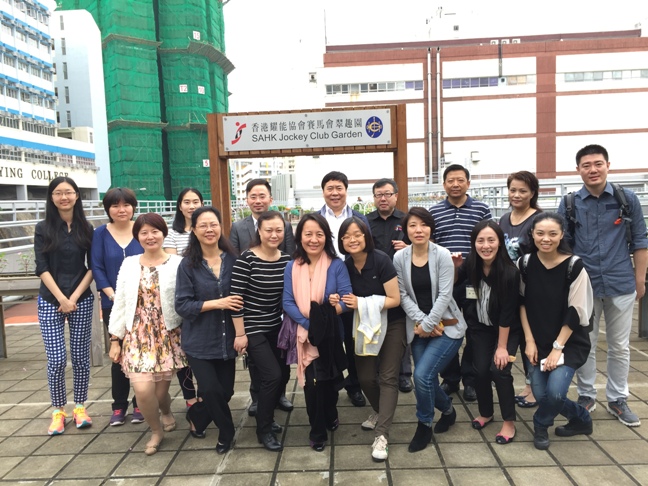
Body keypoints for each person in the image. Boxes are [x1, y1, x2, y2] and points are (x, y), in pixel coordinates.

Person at [558, 144, 647, 428]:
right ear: (578, 170)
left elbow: (641, 241)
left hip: (621, 281)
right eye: (586, 165)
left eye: (598, 164)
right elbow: (563, 246)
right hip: (584, 284)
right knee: (587, 342)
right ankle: (586, 394)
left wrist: (640, 280)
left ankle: (618, 398)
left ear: (608, 165)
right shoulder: (570, 202)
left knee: (620, 346)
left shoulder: (626, 198)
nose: (593, 170)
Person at [108, 213, 186, 456]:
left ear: (163, 233)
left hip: (167, 334)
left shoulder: (178, 263)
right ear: (137, 237)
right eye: (144, 232)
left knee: (160, 393)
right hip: (137, 334)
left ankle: (165, 411)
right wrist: (114, 339)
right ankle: (156, 431)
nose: (150, 236)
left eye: (155, 231)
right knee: (142, 390)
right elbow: (120, 301)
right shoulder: (129, 263)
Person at [393, 207, 467, 453]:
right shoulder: (400, 257)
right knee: (425, 378)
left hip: (448, 327)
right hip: (419, 327)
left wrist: (428, 324)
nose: (418, 230)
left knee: (422, 376)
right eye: (413, 225)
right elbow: (402, 295)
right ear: (406, 230)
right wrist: (422, 323)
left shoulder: (443, 255)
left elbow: (446, 294)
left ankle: (424, 423)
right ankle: (447, 410)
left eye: (423, 224)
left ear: (431, 228)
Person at [518, 213, 594, 450]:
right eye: (540, 233)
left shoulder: (575, 265)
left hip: (567, 342)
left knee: (555, 393)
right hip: (536, 340)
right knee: (542, 395)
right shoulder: (525, 263)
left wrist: (557, 349)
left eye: (553, 234)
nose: (546, 239)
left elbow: (576, 312)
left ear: (562, 235)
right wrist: (529, 341)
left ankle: (541, 424)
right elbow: (520, 303)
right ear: (532, 234)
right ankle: (581, 417)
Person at [175, 206, 244, 455]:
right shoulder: (187, 265)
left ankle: (197, 415)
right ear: (193, 230)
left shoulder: (235, 260)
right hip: (199, 341)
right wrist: (218, 303)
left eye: (213, 224)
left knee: (226, 391)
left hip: (227, 340)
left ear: (220, 227)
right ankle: (227, 434)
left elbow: (243, 297)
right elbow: (182, 305)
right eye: (202, 225)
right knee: (212, 390)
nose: (209, 229)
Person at [283, 213, 353, 452]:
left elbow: (346, 300)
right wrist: (309, 323)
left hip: (331, 336)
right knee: (313, 384)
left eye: (319, 234)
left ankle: (331, 412)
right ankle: (317, 431)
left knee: (330, 381)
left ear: (327, 237)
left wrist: (332, 306)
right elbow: (288, 301)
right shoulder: (292, 266)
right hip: (306, 335)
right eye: (308, 234)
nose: (314, 239)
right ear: (299, 237)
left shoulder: (337, 265)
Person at [338, 216, 403, 462]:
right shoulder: (344, 265)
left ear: (366, 236)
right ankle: (379, 410)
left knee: (387, 377)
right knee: (365, 377)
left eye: (357, 234)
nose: (352, 239)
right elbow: (344, 298)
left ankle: (382, 434)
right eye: (347, 236)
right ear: (341, 241)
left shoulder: (381, 260)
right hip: (365, 325)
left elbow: (394, 299)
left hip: (392, 322)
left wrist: (361, 303)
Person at [229, 179, 295, 416]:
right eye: (253, 196)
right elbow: (233, 260)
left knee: (281, 370)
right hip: (253, 320)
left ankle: (277, 396)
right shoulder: (240, 236)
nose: (274, 234)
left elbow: (289, 256)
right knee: (264, 369)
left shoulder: (285, 255)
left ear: (270, 198)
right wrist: (240, 333)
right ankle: (261, 405)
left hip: (278, 321)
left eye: (262, 195)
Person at [35, 177, 95, 436]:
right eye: (58, 193)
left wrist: (74, 297)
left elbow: (93, 266)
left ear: (77, 196)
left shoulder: (86, 228)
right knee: (57, 359)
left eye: (68, 192)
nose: (64, 197)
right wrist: (61, 298)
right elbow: (41, 267)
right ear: (51, 197)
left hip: (81, 297)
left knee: (81, 358)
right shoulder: (43, 228)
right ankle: (58, 410)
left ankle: (80, 407)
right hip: (51, 299)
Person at [430, 164, 492, 402]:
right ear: (444, 184)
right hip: (445, 281)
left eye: (460, 180)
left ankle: (471, 379)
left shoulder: (481, 209)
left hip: (475, 279)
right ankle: (451, 378)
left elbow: (490, 240)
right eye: (450, 180)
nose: (455, 184)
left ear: (468, 182)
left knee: (475, 329)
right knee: (447, 328)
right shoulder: (435, 212)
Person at [455, 220, 520, 444]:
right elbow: (454, 286)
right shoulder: (471, 264)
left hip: (507, 330)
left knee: (499, 370)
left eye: (491, 240)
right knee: (480, 371)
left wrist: (502, 347)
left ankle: (509, 422)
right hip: (480, 328)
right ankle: (486, 412)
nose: (486, 245)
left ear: (500, 243)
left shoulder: (510, 273)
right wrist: (456, 267)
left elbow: (508, 314)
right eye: (480, 240)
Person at [91, 187, 145, 426]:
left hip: (143, 304)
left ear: (133, 206)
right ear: (108, 209)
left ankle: (141, 403)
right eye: (115, 205)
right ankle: (119, 405)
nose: (121, 210)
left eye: (126, 205)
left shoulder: (143, 228)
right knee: (118, 353)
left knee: (143, 354)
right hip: (112, 303)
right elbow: (97, 266)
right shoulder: (100, 234)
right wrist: (112, 294)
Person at [319, 171, 369, 407]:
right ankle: (328, 383)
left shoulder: (360, 218)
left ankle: (355, 385)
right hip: (324, 285)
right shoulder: (315, 218)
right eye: (330, 188)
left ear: (346, 190)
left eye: (339, 188)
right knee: (327, 337)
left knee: (353, 338)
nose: (335, 193)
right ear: (323, 192)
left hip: (354, 285)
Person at [499, 171, 542, 409]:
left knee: (533, 338)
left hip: (533, 290)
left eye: (523, 191)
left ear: (532, 193)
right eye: (513, 190)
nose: (517, 195)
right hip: (510, 289)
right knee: (518, 335)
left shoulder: (539, 218)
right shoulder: (505, 219)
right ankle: (529, 385)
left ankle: (534, 387)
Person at [366, 178, 412, 393]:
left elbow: (423, 244)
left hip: (401, 281)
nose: (383, 198)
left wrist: (408, 246)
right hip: (373, 282)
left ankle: (403, 374)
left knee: (400, 327)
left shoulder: (407, 219)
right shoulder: (366, 221)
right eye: (378, 195)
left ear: (396, 195)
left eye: (387, 194)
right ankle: (375, 372)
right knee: (374, 325)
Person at [162, 188, 202, 421]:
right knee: (182, 352)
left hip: (205, 296)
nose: (191, 205)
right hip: (182, 296)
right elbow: (174, 264)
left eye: (195, 201)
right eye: (186, 202)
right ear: (179, 206)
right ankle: (189, 397)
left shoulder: (207, 227)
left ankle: (204, 395)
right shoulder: (172, 233)